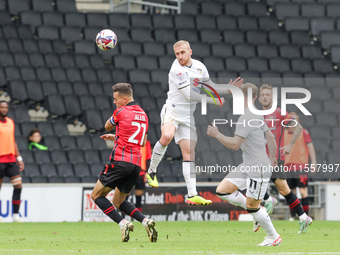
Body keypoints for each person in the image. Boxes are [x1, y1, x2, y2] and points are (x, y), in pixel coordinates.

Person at [146, 40, 243, 206]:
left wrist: (227, 88)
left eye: (183, 53)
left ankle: (192, 194)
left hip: (187, 115)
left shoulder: (199, 66)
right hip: (173, 110)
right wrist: (214, 101)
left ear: (190, 51)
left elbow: (209, 85)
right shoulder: (176, 69)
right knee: (167, 136)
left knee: (189, 153)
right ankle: (151, 172)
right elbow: (189, 95)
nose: (180, 56)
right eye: (177, 54)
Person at [207, 83, 281, 246]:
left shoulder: (247, 118)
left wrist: (217, 134)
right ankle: (259, 211)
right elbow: (271, 138)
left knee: (252, 207)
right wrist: (273, 159)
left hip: (257, 168)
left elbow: (235, 145)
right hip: (248, 165)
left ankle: (273, 236)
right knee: (222, 191)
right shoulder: (256, 114)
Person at [90, 83, 157, 243]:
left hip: (120, 160)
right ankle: (145, 221)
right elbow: (142, 142)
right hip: (135, 165)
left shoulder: (121, 111)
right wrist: (117, 137)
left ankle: (123, 223)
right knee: (118, 201)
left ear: (125, 99)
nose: (114, 102)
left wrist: (114, 130)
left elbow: (107, 126)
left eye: (116, 99)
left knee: (96, 195)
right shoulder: (144, 114)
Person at [257, 84, 312, 234]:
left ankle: (263, 210)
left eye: (268, 95)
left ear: (272, 97)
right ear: (259, 98)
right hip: (260, 158)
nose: (266, 97)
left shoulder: (280, 113)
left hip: (275, 160)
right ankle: (302, 217)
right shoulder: (255, 114)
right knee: (283, 190)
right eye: (263, 95)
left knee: (255, 182)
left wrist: (290, 145)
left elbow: (298, 127)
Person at [284, 112, 317, 220]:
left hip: (300, 166)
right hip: (287, 167)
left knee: (303, 192)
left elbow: (311, 147)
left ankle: (305, 215)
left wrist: (314, 163)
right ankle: (293, 216)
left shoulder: (303, 132)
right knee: (291, 193)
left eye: (295, 119)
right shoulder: (284, 134)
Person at [0, 100, 25, 222]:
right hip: (0, 160)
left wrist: (19, 158)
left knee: (18, 185)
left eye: (5, 107)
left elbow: (13, 140)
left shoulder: (10, 122)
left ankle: (15, 215)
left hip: (11, 159)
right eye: (2, 107)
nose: (4, 109)